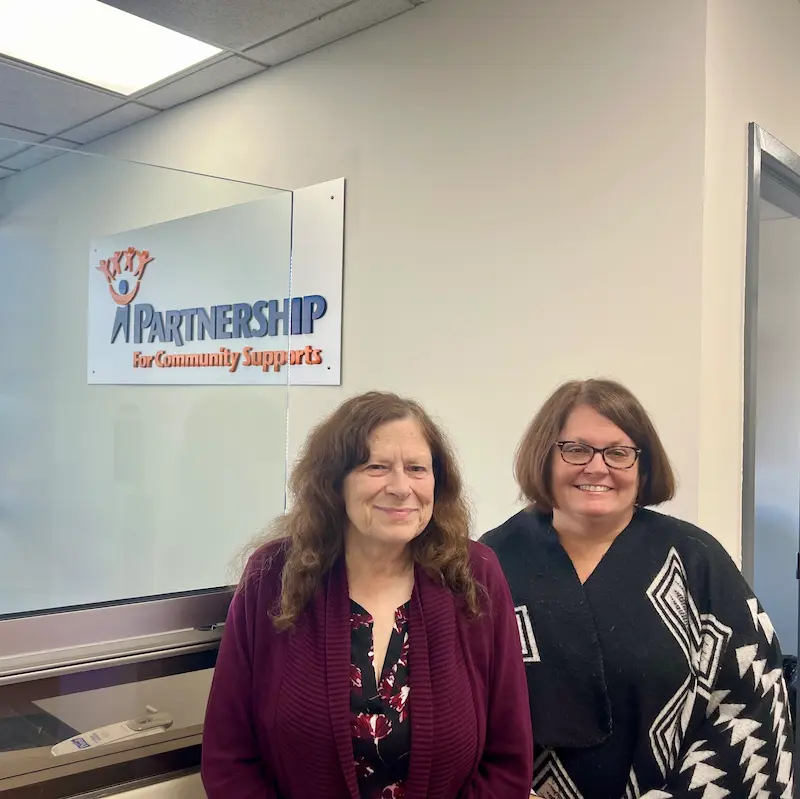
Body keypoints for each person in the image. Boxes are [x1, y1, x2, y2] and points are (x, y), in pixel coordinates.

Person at [202, 391, 534, 799]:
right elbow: (228, 757)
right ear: (334, 482)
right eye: (376, 467)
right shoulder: (273, 576)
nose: (400, 487)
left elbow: (507, 758)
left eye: (416, 468)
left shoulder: (475, 575)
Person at [481, 378, 795, 799]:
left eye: (618, 453)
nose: (597, 467)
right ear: (546, 458)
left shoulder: (697, 561)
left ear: (642, 466)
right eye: (575, 449)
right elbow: (448, 700)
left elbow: (753, 701)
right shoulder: (487, 564)